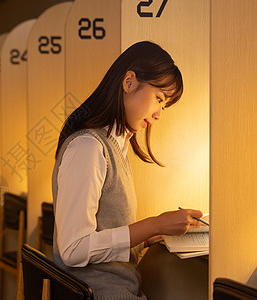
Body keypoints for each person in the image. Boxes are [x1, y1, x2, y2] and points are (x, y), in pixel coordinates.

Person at [52, 41, 204, 299]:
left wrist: (148, 235)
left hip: (116, 287)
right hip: (100, 292)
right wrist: (153, 223)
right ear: (129, 82)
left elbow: (100, 236)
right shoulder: (88, 147)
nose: (158, 115)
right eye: (159, 98)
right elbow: (74, 249)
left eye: (163, 105)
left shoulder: (115, 146)